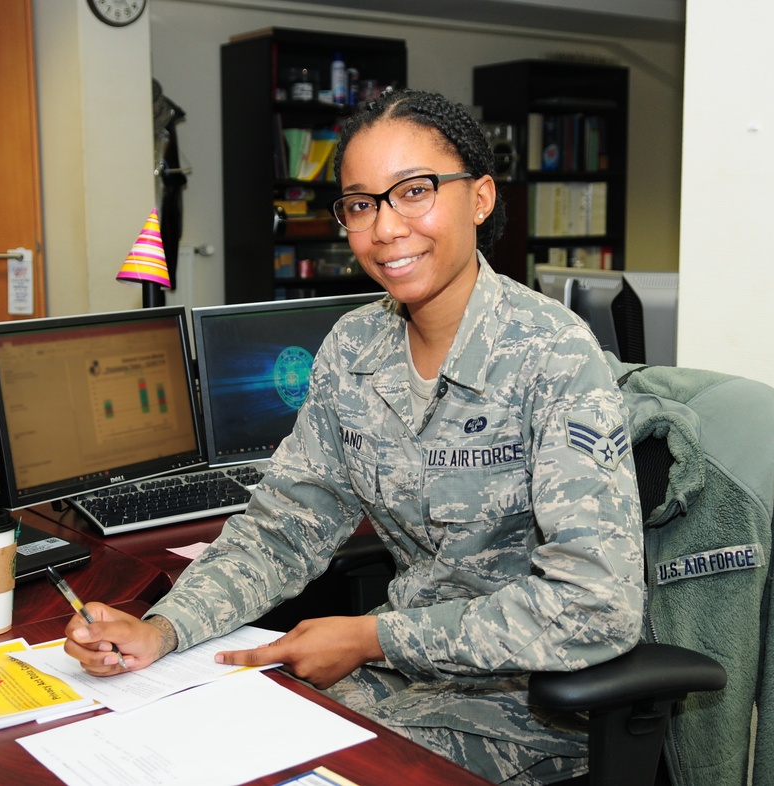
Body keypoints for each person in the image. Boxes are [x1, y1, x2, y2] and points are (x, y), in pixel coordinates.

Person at [63, 89, 644, 785]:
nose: (387, 228)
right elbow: (281, 529)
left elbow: (596, 607)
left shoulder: (552, 355)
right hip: (391, 682)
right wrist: (162, 628)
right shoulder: (353, 346)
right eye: (363, 204)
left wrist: (373, 638)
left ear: (480, 198)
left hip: (525, 710)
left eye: (415, 191)